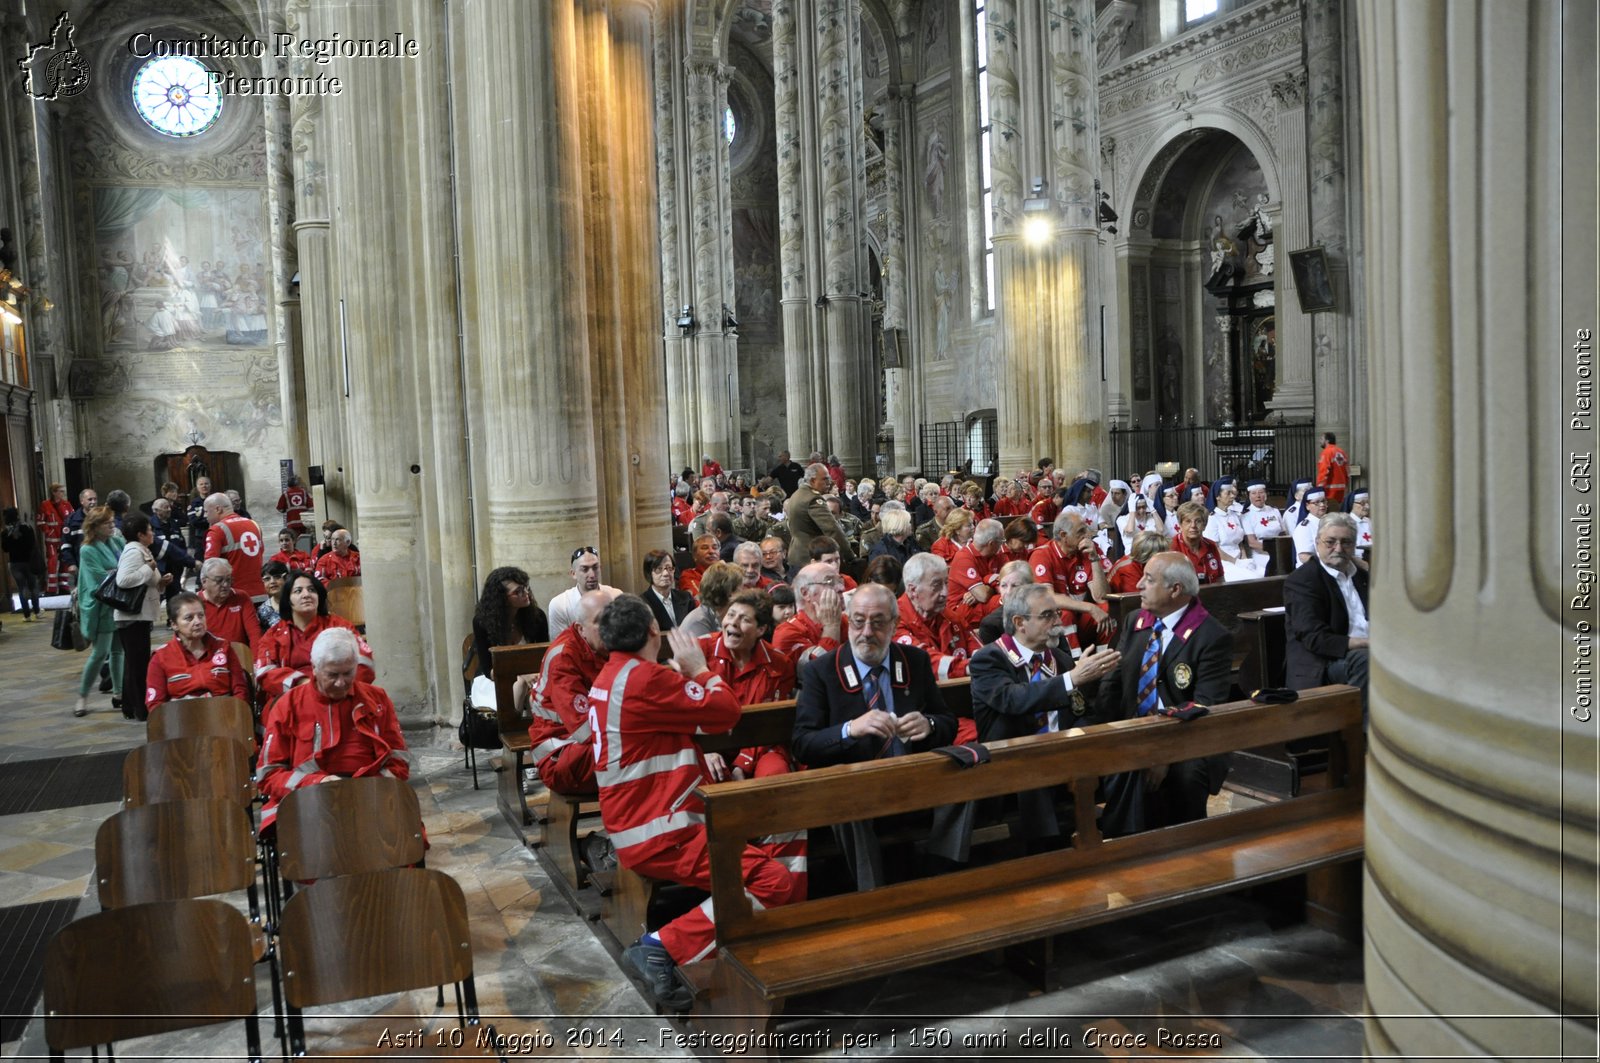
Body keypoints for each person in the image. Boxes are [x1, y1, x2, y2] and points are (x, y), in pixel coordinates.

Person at [590, 595, 797, 1012]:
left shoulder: (611, 676)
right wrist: (700, 671)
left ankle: (758, 942)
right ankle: (661, 947)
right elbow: (724, 711)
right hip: (662, 830)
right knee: (774, 882)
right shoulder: (646, 678)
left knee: (767, 844)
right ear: (654, 631)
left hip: (642, 822)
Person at [791, 584, 965, 888]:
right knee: (841, 792)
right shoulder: (822, 671)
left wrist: (929, 725)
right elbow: (803, 745)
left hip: (910, 777)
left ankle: (941, 873)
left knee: (969, 770)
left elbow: (947, 722)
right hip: (857, 785)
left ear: (895, 625)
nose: (867, 632)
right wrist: (850, 729)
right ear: (848, 621)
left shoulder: (914, 660)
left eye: (878, 622)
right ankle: (871, 892)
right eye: (858, 621)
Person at [969, 583, 1122, 847]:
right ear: (1019, 622)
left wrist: (1081, 737)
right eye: (1047, 615)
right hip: (1011, 758)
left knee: (1121, 762)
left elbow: (1080, 711)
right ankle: (1046, 859)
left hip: (1062, 753)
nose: (1057, 621)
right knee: (1035, 771)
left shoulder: (1060, 659)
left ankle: (1122, 842)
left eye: (1056, 613)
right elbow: (1013, 699)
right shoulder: (989, 658)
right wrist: (1071, 679)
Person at [1092, 552, 1232, 837]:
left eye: (1149, 579)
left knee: (1187, 776)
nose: (1139, 585)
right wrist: (1103, 731)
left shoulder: (1211, 636)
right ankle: (1123, 845)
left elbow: (1204, 706)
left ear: (1175, 590)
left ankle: (1185, 852)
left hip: (1188, 738)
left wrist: (1166, 753)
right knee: (1113, 763)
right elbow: (1113, 682)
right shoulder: (1135, 621)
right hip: (1136, 728)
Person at [256, 627, 409, 833]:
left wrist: (371, 788)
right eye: (332, 675)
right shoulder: (287, 706)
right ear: (314, 669)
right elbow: (268, 775)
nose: (341, 682)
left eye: (348, 673)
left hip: (369, 796)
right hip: (307, 801)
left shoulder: (377, 698)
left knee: (404, 829)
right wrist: (316, 782)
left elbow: (399, 760)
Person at [528, 589, 615, 810]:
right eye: (600, 621)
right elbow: (586, 730)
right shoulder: (564, 658)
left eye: (614, 618)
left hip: (591, 744)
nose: (611, 627)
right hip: (561, 753)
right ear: (580, 628)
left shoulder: (604, 645)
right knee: (637, 753)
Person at [699, 589, 798, 782]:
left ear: (760, 629)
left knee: (774, 773)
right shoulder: (701, 650)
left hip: (761, 744)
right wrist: (705, 749)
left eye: (744, 619)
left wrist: (742, 764)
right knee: (703, 773)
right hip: (710, 744)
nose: (732, 623)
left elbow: (770, 724)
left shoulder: (779, 664)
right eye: (731, 615)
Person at [1284, 512, 1369, 712]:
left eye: (1346, 542)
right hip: (1325, 661)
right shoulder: (1303, 580)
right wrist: (1366, 643)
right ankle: (1364, 736)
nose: (1338, 548)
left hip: (1369, 649)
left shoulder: (1362, 576)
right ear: (1317, 542)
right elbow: (1314, 637)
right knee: (1367, 661)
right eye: (1330, 542)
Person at [254, 572, 375, 699]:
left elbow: (365, 661)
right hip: (292, 698)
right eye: (298, 591)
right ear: (288, 600)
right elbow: (265, 672)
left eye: (312, 590)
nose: (306, 595)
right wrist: (304, 684)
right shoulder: (273, 635)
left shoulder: (340, 626)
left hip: (340, 695)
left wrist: (339, 685)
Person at [145, 592, 250, 713]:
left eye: (201, 615)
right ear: (174, 625)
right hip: (181, 722)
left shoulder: (224, 648)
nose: (197, 622)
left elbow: (240, 690)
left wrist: (235, 717)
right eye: (189, 618)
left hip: (224, 717)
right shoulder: (160, 657)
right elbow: (155, 706)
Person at [113, 513, 173, 721]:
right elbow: (124, 580)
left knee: (134, 663)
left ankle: (130, 706)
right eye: (150, 530)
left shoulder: (141, 550)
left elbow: (147, 581)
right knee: (138, 665)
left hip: (139, 616)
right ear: (140, 534)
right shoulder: (132, 551)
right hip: (132, 616)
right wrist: (148, 569)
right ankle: (141, 708)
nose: (153, 533)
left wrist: (161, 582)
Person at [1028, 512, 1112, 652]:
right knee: (1064, 615)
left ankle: (1106, 661)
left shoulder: (1088, 550)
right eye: (1081, 531)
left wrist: (1094, 558)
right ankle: (1075, 664)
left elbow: (1100, 596)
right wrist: (1090, 608)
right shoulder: (1042, 555)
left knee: (1106, 608)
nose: (1087, 534)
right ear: (1063, 535)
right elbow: (1048, 598)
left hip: (1081, 616)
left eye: (1086, 529)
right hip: (1052, 620)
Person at [71, 507, 125, 717]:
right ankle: (82, 697)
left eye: (113, 522)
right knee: (100, 652)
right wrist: (120, 574)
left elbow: (125, 567)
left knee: (118, 651)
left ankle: (119, 694)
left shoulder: (116, 542)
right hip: (101, 606)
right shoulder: (88, 549)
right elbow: (100, 577)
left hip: (120, 603)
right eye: (107, 523)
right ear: (94, 527)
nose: (113, 526)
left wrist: (119, 573)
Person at [784, 463, 853, 570]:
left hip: (797, 554)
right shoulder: (813, 499)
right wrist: (849, 555)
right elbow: (832, 530)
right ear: (812, 481)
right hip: (811, 557)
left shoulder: (797, 495)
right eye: (825, 479)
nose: (828, 482)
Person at [772, 562, 845, 663]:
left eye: (840, 581)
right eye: (829, 581)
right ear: (806, 593)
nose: (842, 588)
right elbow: (818, 670)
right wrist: (831, 627)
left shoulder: (845, 621)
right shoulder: (787, 633)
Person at [203, 492, 267, 602]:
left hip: (234, 597)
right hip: (260, 594)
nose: (205, 516)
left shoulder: (217, 530)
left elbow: (210, 567)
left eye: (206, 511)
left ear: (218, 509)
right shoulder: (254, 525)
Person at [547, 547, 621, 637]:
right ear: (573, 573)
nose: (592, 575)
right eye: (585, 569)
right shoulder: (560, 604)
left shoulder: (616, 597)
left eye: (595, 567)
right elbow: (560, 645)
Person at [198, 558, 263, 649]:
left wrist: (257, 661)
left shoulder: (241, 597)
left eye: (228, 580)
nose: (225, 585)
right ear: (204, 582)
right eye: (219, 580)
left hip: (240, 657)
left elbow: (255, 633)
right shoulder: (194, 603)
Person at [677, 560, 744, 639]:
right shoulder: (699, 622)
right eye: (741, 589)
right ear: (729, 593)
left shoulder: (720, 615)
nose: (744, 594)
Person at [976, 561, 1036, 644]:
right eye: (1004, 586)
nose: (1008, 592)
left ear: (1030, 588)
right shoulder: (991, 624)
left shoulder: (1045, 615)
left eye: (1015, 586)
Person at [1171, 500, 1226, 585]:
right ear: (1180, 525)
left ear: (1204, 526)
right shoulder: (1171, 548)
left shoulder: (1211, 546)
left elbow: (1220, 579)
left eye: (1198, 521)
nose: (1193, 526)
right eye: (1188, 521)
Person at [1, 508, 42, 621]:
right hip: (29, 561)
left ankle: (26, 615)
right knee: (33, 586)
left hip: (15, 562)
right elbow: (33, 543)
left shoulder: (5, 532)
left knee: (22, 587)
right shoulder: (26, 528)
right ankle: (37, 611)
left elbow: (5, 549)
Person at [640, 549, 695, 632]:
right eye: (659, 569)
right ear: (649, 572)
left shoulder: (686, 597)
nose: (666, 573)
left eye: (669, 568)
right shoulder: (642, 603)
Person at [1108, 529, 1171, 595]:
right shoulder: (1128, 569)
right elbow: (1138, 599)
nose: (1165, 558)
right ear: (1149, 555)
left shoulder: (1139, 560)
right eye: (1161, 554)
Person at [37, 484, 72, 594]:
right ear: (54, 492)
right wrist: (48, 531)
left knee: (64, 562)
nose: (63, 493)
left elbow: (72, 518)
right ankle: (51, 588)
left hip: (64, 538)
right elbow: (40, 521)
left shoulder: (66, 504)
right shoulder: (45, 505)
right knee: (52, 562)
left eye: (63, 491)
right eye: (60, 491)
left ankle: (64, 586)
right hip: (52, 540)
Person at [1291, 488, 1330, 566]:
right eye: (1317, 502)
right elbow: (1304, 557)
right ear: (1307, 506)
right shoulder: (1304, 527)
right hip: (1312, 570)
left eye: (1323, 501)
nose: (1322, 505)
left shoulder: (1331, 522)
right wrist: (1327, 564)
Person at [1315, 432, 1350, 505]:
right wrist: (1346, 485)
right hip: (1341, 488)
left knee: (1330, 512)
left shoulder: (1326, 452)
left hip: (1330, 489)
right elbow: (1347, 471)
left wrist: (1319, 487)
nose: (1320, 441)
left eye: (1322, 439)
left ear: (1327, 441)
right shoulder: (1341, 452)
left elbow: (1324, 470)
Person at [276, 475, 314, 539]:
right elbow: (311, 507)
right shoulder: (304, 492)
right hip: (304, 523)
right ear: (297, 483)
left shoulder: (285, 494)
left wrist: (287, 509)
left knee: (293, 540)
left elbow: (280, 509)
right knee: (304, 540)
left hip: (291, 524)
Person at [258, 560, 289, 630]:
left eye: (277, 577)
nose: (272, 582)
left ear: (286, 578)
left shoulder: (298, 603)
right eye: (267, 579)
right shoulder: (262, 611)